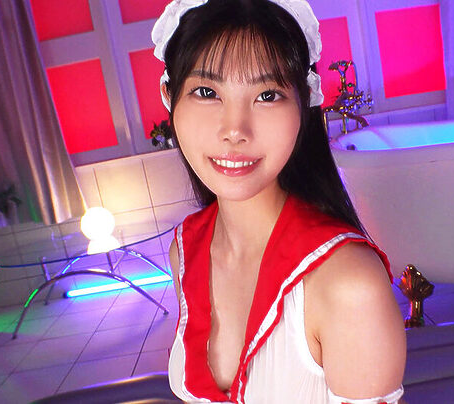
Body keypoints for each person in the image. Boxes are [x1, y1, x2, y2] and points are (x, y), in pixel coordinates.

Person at [151, 0, 406, 402]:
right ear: (170, 96)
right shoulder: (185, 249)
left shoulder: (348, 284)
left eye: (267, 95)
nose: (235, 130)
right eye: (207, 92)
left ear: (304, 102)